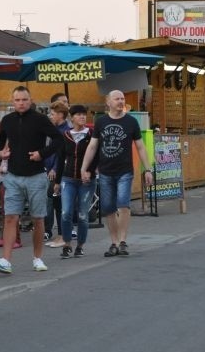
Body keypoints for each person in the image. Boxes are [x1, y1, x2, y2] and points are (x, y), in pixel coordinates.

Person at [0, 86, 64, 275]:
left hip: (36, 176)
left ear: (30, 100)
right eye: (17, 100)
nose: (21, 103)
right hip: (13, 176)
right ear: (12, 102)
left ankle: (37, 258)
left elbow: (58, 139)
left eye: (24, 99)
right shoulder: (7, 120)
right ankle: (5, 260)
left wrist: (41, 154)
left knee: (38, 219)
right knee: (11, 217)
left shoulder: (40, 119)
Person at [80, 90, 153, 258]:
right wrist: (85, 168)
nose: (121, 101)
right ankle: (113, 242)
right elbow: (92, 146)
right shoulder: (101, 122)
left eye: (122, 99)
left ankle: (122, 241)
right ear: (108, 102)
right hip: (105, 171)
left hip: (125, 171)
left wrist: (147, 169)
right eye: (117, 99)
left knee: (123, 204)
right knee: (108, 208)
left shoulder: (131, 122)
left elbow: (141, 147)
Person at [54, 104, 97, 259]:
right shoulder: (65, 135)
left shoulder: (92, 134)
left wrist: (91, 171)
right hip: (68, 179)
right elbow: (60, 159)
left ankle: (80, 245)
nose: (82, 117)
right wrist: (57, 181)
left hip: (87, 181)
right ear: (71, 117)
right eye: (78, 114)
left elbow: (97, 156)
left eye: (84, 114)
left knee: (82, 214)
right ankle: (67, 244)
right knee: (66, 212)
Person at [44, 101, 71, 248]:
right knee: (56, 202)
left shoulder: (64, 131)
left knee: (59, 203)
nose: (50, 116)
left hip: (57, 172)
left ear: (61, 115)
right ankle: (60, 235)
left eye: (53, 114)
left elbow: (62, 155)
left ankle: (63, 236)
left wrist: (54, 169)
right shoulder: (55, 129)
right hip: (50, 170)